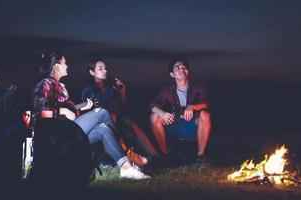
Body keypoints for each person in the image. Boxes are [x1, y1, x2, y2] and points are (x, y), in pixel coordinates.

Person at [31, 51, 150, 179]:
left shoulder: (60, 86)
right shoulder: (46, 83)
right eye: (65, 63)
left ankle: (125, 167)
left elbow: (70, 113)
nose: (67, 66)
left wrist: (82, 108)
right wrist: (61, 111)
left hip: (68, 131)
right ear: (56, 66)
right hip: (59, 137)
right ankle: (128, 153)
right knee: (103, 112)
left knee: (103, 129)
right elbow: (39, 111)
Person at [81, 58, 158, 167]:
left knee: (131, 122)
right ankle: (127, 155)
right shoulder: (88, 91)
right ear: (92, 72)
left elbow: (123, 107)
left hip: (117, 118)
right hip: (101, 122)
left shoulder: (110, 88)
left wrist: (122, 92)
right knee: (112, 116)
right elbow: (90, 112)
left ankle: (155, 155)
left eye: (105, 68)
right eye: (100, 68)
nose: (105, 71)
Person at [149, 57, 212, 165]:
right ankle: (165, 156)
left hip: (193, 126)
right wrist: (162, 113)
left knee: (205, 115)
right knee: (154, 117)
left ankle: (200, 157)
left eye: (184, 67)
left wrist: (192, 107)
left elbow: (206, 104)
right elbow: (153, 105)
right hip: (176, 125)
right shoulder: (168, 90)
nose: (181, 69)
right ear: (172, 74)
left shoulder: (198, 88)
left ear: (188, 72)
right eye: (177, 68)